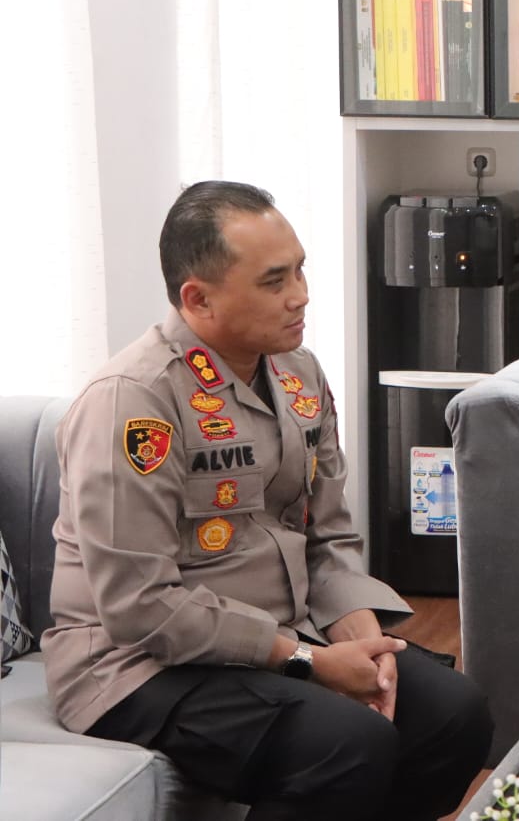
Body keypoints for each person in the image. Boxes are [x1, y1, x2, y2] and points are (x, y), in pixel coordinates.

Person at [44, 181, 493, 821]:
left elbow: (328, 534)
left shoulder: (297, 371)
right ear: (198, 299)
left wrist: (361, 633)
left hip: (279, 638)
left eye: (300, 269)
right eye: (274, 280)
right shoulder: (133, 401)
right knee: (347, 743)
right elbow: (138, 606)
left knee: (456, 714)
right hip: (137, 668)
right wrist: (311, 661)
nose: (300, 294)